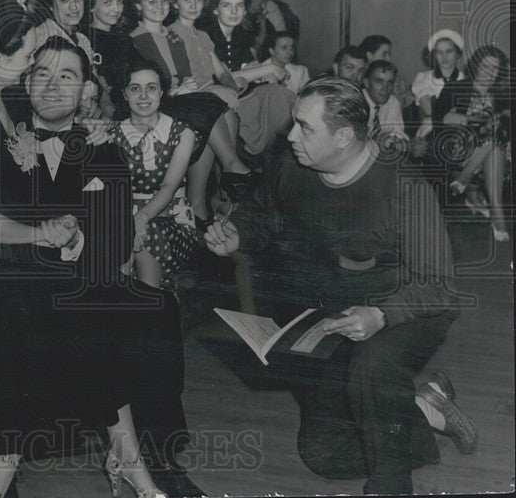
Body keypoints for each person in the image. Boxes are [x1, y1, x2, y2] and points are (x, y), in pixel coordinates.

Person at [0, 22, 200, 497]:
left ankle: (145, 458)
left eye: (67, 75)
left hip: (76, 274)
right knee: (47, 316)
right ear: (25, 83)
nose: (53, 84)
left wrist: (76, 241)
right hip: (9, 278)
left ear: (87, 88)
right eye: (42, 73)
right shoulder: (0, 137)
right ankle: (116, 465)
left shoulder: (103, 145)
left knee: (152, 310)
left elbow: (115, 235)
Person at [205, 76, 476, 495]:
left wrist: (381, 314)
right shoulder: (292, 164)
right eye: (294, 122)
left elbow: (439, 284)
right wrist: (238, 234)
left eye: (304, 127)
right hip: (329, 314)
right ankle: (423, 407)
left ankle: (391, 482)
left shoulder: (404, 187)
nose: (290, 134)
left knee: (372, 364)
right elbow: (265, 215)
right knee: (325, 455)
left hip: (404, 308)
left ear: (345, 136)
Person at [131, 0, 255, 218]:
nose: (159, 6)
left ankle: (200, 202)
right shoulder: (137, 39)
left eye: (163, 0)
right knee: (206, 105)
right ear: (138, 6)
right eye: (151, 1)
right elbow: (143, 82)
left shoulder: (172, 37)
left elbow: (185, 75)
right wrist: (175, 91)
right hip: (158, 102)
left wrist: (186, 86)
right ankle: (230, 167)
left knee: (212, 110)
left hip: (182, 98)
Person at [109, 57, 200, 292]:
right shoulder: (113, 135)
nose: (143, 96)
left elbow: (169, 187)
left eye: (151, 88)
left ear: (162, 92)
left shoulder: (181, 133)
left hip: (172, 218)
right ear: (124, 94)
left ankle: (150, 300)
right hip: (125, 217)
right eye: (135, 88)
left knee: (147, 233)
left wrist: (141, 217)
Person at [198, 0, 296, 158]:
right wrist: (269, 68)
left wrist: (260, 73)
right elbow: (224, 78)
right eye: (226, 5)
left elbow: (250, 69)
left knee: (283, 96)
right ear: (215, 10)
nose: (234, 11)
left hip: (244, 95)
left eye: (239, 6)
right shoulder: (207, 35)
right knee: (276, 97)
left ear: (245, 11)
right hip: (218, 98)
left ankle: (275, 157)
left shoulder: (240, 36)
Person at [434, 45, 511, 242]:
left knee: (496, 136)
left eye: (495, 68)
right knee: (494, 127)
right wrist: (473, 119)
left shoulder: (501, 96)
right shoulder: (457, 87)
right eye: (486, 66)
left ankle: (463, 182)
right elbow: (443, 120)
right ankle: (498, 216)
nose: (490, 73)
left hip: (496, 151)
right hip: (459, 148)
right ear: (476, 66)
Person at [412, 29, 465, 142]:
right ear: (434, 55)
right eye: (439, 52)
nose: (444, 57)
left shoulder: (464, 79)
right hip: (430, 133)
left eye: (449, 51)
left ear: (457, 54)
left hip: (459, 133)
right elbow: (428, 110)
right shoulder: (424, 78)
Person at [361, 59, 407, 144]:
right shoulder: (356, 102)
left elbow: (398, 134)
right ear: (366, 82)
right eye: (379, 81)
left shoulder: (393, 102)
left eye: (390, 82)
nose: (385, 88)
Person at [263, 30, 309, 94]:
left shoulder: (301, 71)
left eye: (291, 48)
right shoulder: (260, 71)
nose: (289, 52)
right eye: (284, 48)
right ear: (271, 51)